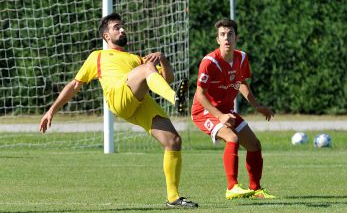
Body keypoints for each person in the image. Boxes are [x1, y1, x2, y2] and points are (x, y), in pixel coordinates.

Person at [39, 12, 198, 208]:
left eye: (122, 26)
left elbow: (167, 79)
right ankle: (175, 98)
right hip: (117, 97)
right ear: (106, 36)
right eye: (116, 27)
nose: (122, 29)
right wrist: (51, 111)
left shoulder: (136, 59)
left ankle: (173, 198)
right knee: (148, 69)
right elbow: (74, 86)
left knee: (173, 140)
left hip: (138, 102)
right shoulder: (97, 56)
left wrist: (163, 59)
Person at [191, 18, 276, 199]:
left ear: (236, 37)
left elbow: (242, 81)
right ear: (218, 40)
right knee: (232, 138)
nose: (226, 38)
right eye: (222, 35)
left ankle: (255, 189)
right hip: (204, 111)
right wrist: (220, 116)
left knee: (254, 145)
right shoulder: (209, 62)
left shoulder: (241, 57)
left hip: (225, 111)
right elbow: (200, 95)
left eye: (230, 34)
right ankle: (232, 187)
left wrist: (256, 105)